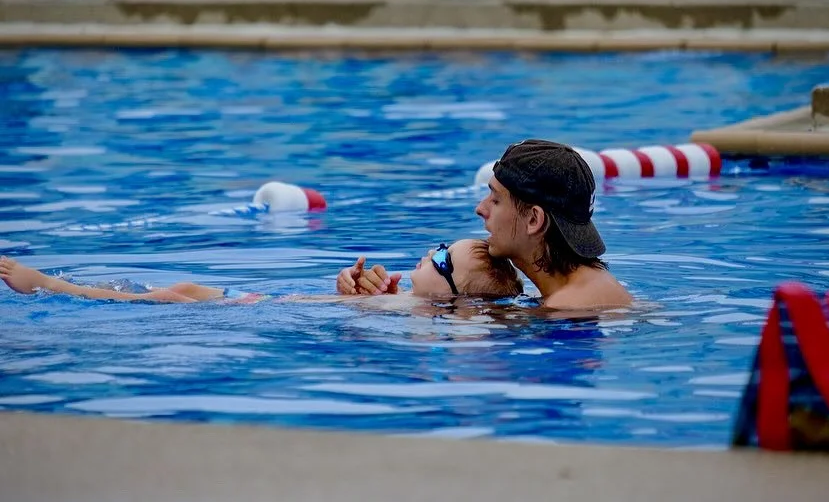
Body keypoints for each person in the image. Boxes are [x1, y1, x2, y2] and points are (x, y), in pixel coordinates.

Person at [0, 239, 523, 304]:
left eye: (443, 261)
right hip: (264, 305)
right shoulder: (411, 300)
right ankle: (58, 285)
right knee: (181, 288)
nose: (431, 255)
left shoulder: (440, 320)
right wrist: (355, 294)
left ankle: (48, 285)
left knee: (172, 298)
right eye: (439, 247)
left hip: (252, 316)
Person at [474, 139, 633, 310]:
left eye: (496, 200)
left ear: (534, 220)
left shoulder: (566, 309)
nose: (480, 209)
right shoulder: (590, 286)